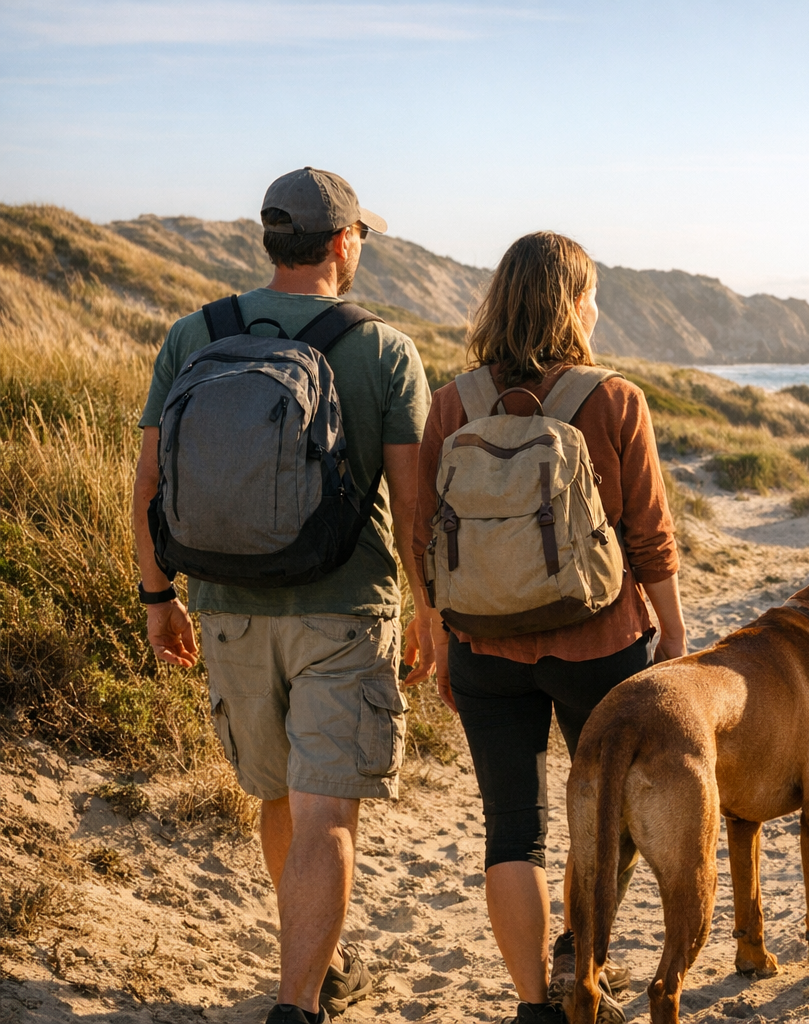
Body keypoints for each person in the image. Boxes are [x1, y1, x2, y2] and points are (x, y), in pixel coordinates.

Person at [132, 167, 431, 1024]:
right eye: (360, 234)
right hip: (346, 612)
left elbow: (149, 481)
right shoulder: (384, 349)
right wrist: (432, 614)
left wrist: (157, 596)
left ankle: (318, 963)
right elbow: (413, 508)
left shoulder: (196, 334)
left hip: (226, 607)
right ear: (341, 242)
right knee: (326, 810)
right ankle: (299, 1001)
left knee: (278, 799)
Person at [410, 231, 686, 1024]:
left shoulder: (453, 403)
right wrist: (672, 635)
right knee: (604, 821)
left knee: (512, 831)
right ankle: (579, 960)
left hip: (483, 646)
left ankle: (534, 1006)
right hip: (601, 642)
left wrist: (439, 640)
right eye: (591, 293)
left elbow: (424, 537)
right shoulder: (614, 398)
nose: (596, 307)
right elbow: (649, 537)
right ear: (574, 303)